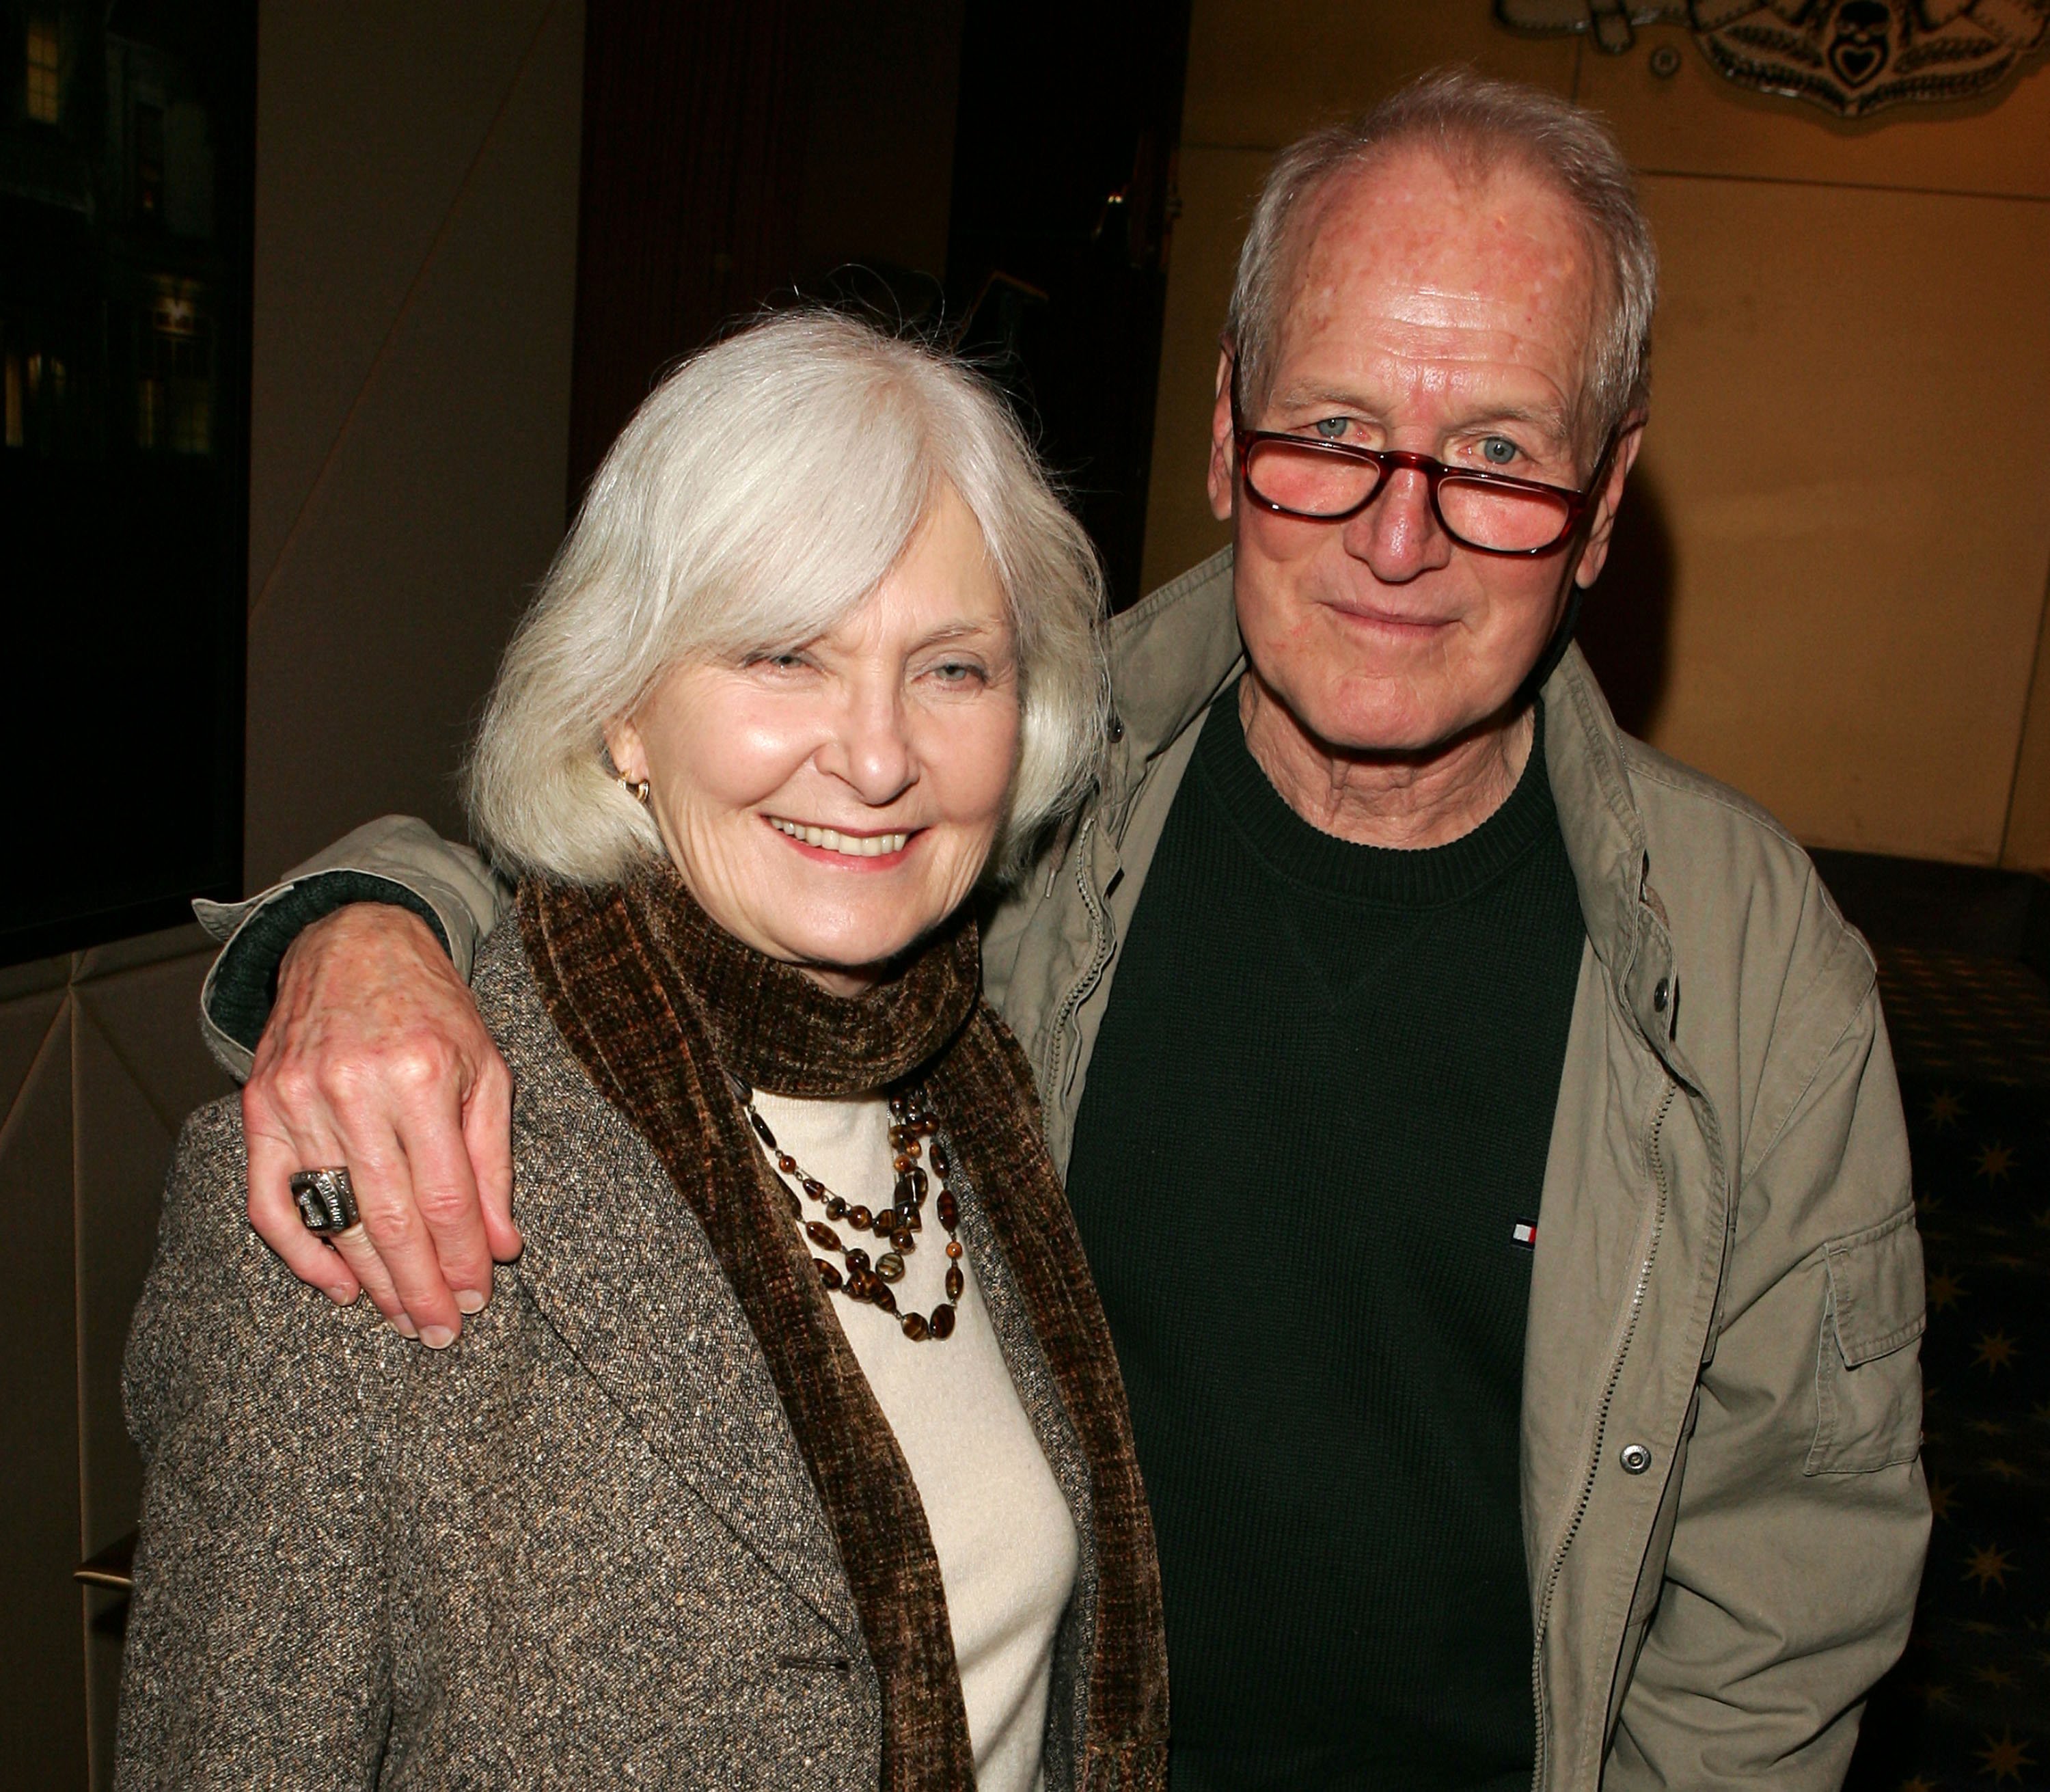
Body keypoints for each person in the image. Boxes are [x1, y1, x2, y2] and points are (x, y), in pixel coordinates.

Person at [186, 72, 1928, 1789]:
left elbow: (1798, 1569)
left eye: (1495, 454)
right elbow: (655, 878)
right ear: (1230, 430)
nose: (1404, 536)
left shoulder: (1748, 964)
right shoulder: (1041, 816)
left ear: (1606, 498)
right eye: (1334, 432)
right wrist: (358, 925)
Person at [118, 312, 1170, 1790]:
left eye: (952, 669)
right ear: (622, 707)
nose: (876, 758)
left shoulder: (992, 1096)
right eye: (783, 655)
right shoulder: (363, 1164)